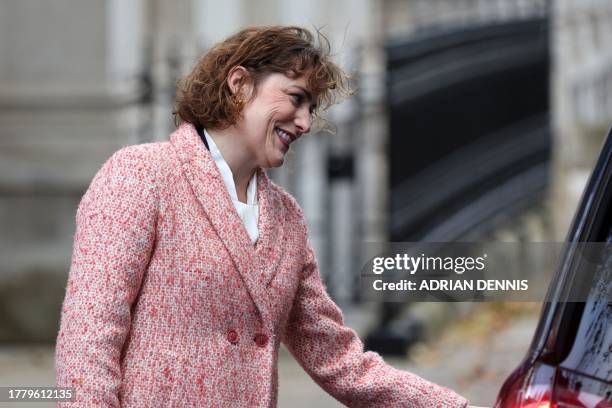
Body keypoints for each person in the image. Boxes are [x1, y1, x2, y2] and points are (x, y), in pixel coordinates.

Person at [55, 26, 469, 407]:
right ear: (239, 84)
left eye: (312, 107)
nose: (306, 122)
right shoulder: (142, 174)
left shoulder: (286, 218)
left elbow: (339, 359)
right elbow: (88, 337)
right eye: (296, 98)